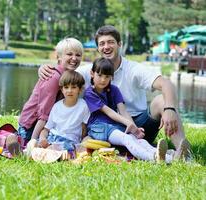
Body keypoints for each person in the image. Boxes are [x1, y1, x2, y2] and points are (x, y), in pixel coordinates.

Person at [38, 25, 191, 160]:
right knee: (127, 140)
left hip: (140, 124)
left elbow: (166, 83)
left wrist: (169, 109)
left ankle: (184, 153)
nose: (106, 47)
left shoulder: (133, 69)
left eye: (111, 42)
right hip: (107, 126)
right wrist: (46, 68)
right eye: (102, 44)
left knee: (162, 101)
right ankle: (160, 154)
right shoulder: (91, 71)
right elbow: (66, 78)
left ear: (120, 44)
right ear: (98, 49)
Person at [84, 57, 175, 163]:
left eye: (107, 76)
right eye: (99, 75)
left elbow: (123, 111)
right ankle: (155, 158)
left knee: (139, 140)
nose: (103, 80)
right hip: (99, 128)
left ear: (112, 77)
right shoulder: (90, 93)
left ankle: (169, 157)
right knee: (127, 138)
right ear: (92, 73)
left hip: (114, 126)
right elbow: (109, 112)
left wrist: (134, 129)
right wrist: (128, 123)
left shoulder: (114, 90)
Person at [18, 37, 84, 143]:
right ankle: (18, 141)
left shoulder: (68, 76)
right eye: (69, 54)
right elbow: (43, 114)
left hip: (46, 126)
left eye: (78, 55)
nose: (74, 58)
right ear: (59, 56)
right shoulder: (54, 78)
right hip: (31, 127)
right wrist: (33, 140)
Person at [38, 70, 90, 151]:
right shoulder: (56, 106)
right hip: (53, 137)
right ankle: (21, 149)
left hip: (70, 141)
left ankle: (50, 150)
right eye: (66, 87)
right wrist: (42, 139)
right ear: (62, 90)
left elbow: (84, 128)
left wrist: (82, 142)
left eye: (73, 87)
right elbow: (46, 129)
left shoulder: (83, 106)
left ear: (80, 89)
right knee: (35, 143)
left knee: (66, 149)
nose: (69, 90)